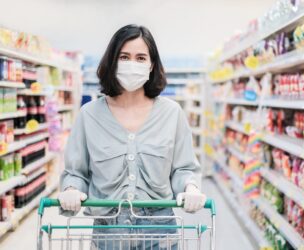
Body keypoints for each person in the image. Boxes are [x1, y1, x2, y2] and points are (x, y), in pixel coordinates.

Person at [57, 24, 206, 249]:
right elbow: (76, 172)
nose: (132, 64)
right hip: (108, 234)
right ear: (112, 62)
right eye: (124, 57)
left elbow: (183, 169)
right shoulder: (89, 115)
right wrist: (71, 190)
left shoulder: (171, 113)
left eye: (140, 58)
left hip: (160, 232)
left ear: (151, 64)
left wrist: (190, 188)